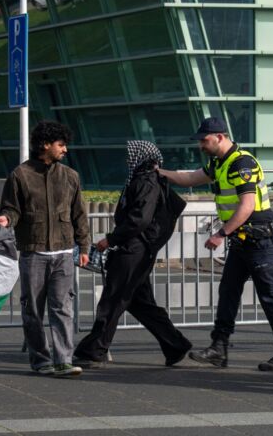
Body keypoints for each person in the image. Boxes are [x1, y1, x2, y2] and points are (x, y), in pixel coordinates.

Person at [157, 117, 273, 371]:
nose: (201, 145)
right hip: (244, 239)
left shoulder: (242, 163)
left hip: (261, 238)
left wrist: (221, 233)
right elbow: (191, 178)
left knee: (270, 295)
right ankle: (218, 348)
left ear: (220, 137)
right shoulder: (218, 162)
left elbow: (247, 206)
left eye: (204, 140)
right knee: (228, 291)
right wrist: (160, 173)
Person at [73, 140, 192, 368]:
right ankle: (175, 345)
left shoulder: (146, 182)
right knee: (139, 303)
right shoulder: (144, 180)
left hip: (133, 250)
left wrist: (111, 239)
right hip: (136, 250)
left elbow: (140, 218)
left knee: (113, 300)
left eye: (131, 155)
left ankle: (94, 350)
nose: (128, 159)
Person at [0, 121, 90, 377]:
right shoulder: (20, 175)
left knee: (63, 308)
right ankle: (40, 360)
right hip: (32, 254)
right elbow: (11, 208)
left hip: (63, 254)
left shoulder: (70, 176)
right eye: (61, 144)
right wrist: (5, 218)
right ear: (45, 144)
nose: (65, 150)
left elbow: (80, 214)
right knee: (33, 311)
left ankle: (64, 360)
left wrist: (84, 246)